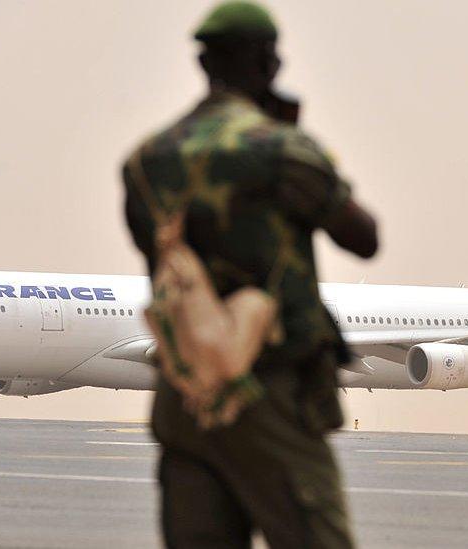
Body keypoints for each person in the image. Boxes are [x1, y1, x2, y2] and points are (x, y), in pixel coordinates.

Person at [122, 2, 378, 547]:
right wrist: (302, 145)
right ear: (268, 63)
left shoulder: (146, 161)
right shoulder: (281, 148)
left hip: (187, 396)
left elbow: (156, 251)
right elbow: (362, 237)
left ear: (204, 63)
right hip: (269, 391)